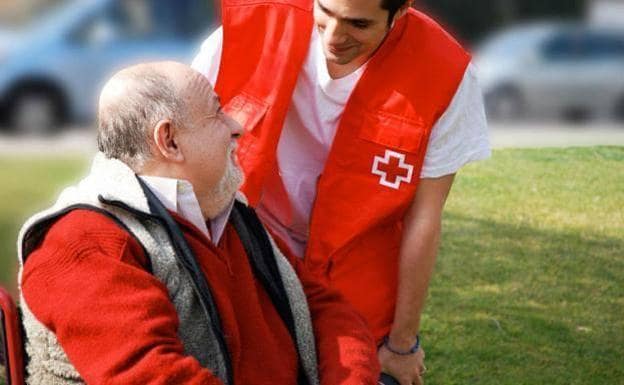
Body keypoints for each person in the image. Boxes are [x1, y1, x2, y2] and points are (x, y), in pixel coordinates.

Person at [17, 62, 381, 385]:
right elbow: (152, 374)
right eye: (218, 112)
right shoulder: (84, 242)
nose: (236, 126)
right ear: (170, 141)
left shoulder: (226, 211)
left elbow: (323, 306)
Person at [192, 0, 491, 383]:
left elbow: (425, 218)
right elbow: (174, 138)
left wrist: (402, 344)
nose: (334, 36)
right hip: (250, 262)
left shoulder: (444, 71)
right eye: (325, 12)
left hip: (358, 291)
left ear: (400, 12)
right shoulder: (256, 22)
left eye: (358, 24)